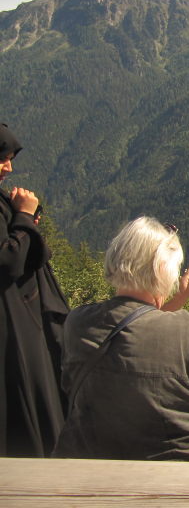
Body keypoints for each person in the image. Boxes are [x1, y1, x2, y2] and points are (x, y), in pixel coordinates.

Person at [53, 216, 189, 461]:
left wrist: (179, 297)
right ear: (165, 271)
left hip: (99, 461)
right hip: (185, 474)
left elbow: (137, 329)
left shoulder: (77, 322)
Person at [0, 123, 70, 457]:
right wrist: (25, 217)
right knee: (27, 391)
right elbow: (8, 261)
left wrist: (23, 222)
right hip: (11, 325)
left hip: (18, 314)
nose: (8, 167)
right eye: (3, 158)